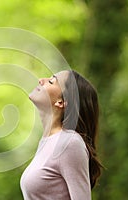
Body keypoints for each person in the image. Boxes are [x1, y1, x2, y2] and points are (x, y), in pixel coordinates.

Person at [20, 70, 103, 200]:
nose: (41, 80)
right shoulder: (47, 141)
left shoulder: (69, 143)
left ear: (61, 102)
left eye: (51, 81)